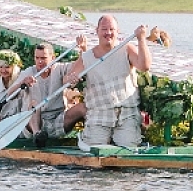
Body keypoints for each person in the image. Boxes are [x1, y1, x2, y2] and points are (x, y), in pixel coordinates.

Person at [65, 15, 151, 149]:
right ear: (97, 31)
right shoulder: (87, 57)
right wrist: (71, 79)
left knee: (128, 148)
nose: (108, 33)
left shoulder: (127, 49)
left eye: (112, 29)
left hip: (126, 113)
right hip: (99, 114)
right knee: (93, 150)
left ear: (118, 31)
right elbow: (68, 80)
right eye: (104, 29)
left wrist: (141, 39)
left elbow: (144, 66)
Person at [13, 42, 87, 147]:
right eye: (37, 58)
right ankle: (37, 136)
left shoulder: (59, 68)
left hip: (57, 121)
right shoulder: (29, 72)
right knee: (34, 103)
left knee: (82, 107)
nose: (39, 61)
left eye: (43, 58)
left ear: (53, 58)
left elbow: (78, 65)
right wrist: (22, 83)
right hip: (34, 124)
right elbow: (10, 94)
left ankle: (90, 138)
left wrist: (83, 50)